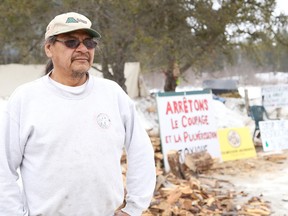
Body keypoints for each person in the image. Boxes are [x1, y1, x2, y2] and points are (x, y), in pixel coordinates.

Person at [0, 12, 156, 216]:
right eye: (71, 42)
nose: (83, 49)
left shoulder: (112, 94)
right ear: (49, 48)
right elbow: (3, 168)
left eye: (89, 43)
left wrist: (133, 208)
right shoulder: (25, 99)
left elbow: (141, 152)